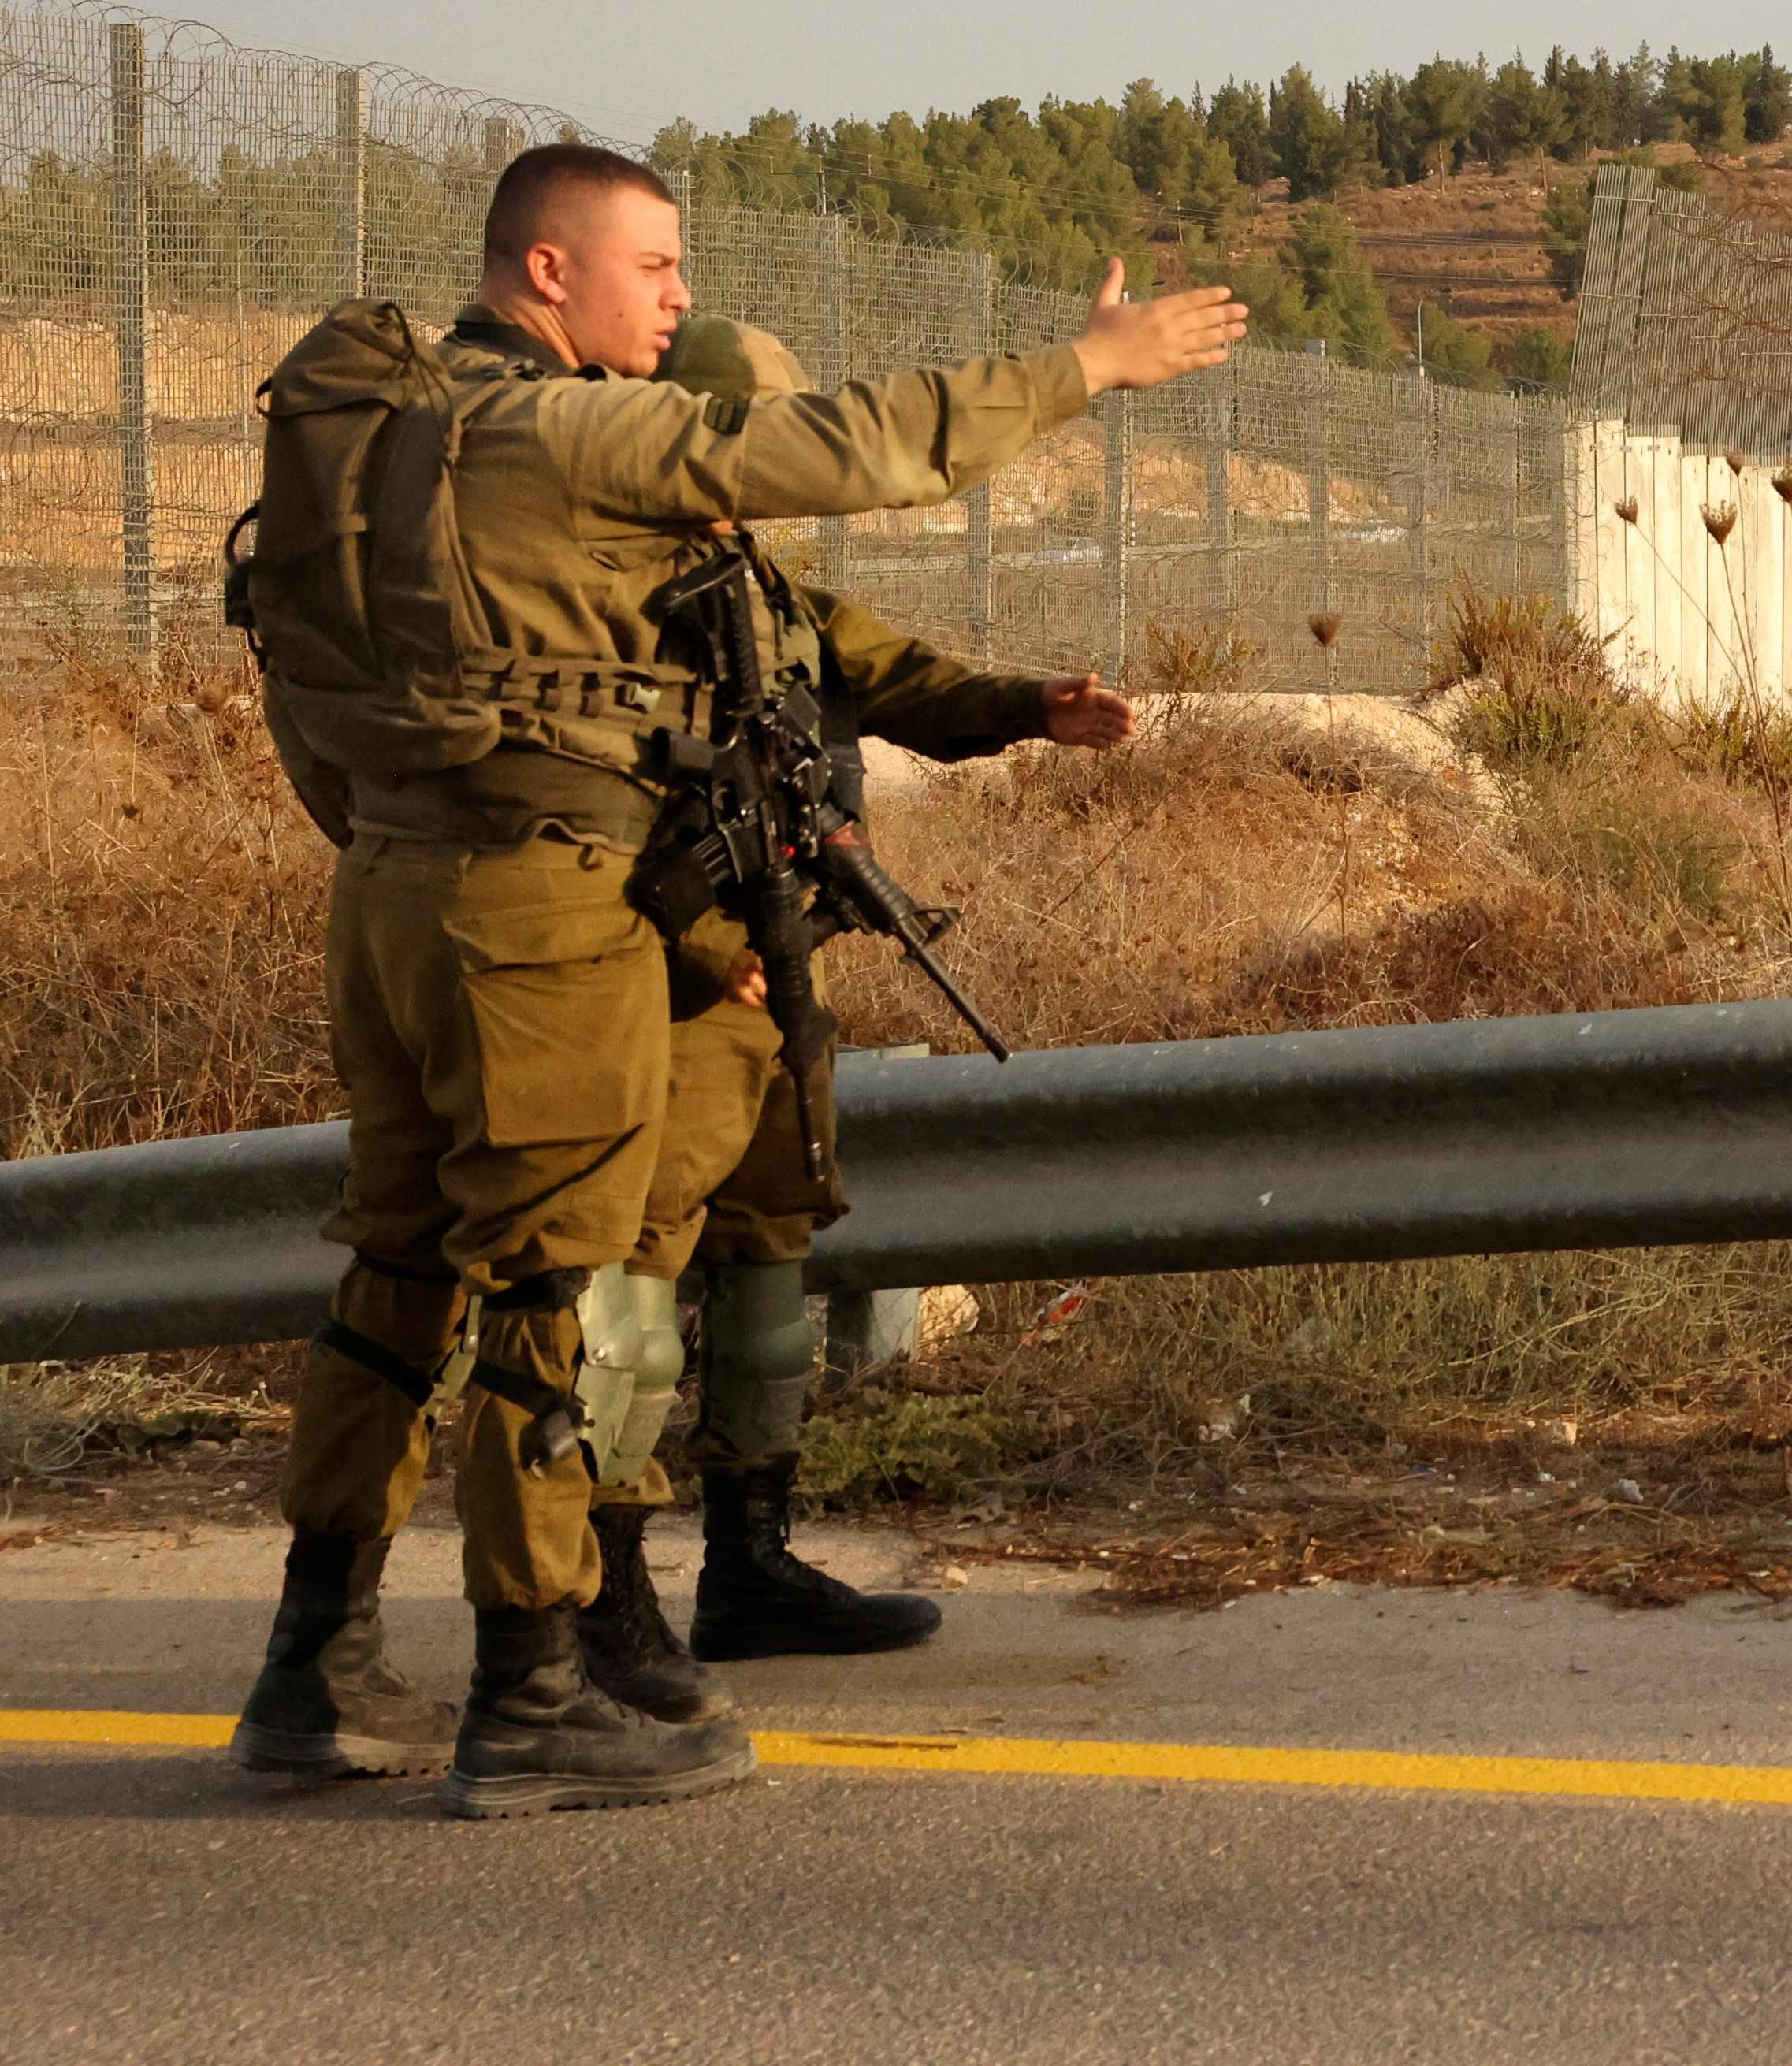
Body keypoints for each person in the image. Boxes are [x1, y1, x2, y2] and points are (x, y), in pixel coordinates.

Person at [225, 145, 1241, 1815]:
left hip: (404, 890)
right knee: (556, 1291)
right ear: (549, 271)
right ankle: (534, 1694)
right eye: (659, 267)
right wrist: (1087, 369)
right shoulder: (553, 432)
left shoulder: (399, 444)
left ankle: (310, 1667)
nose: (680, 297)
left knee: (399, 1278)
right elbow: (838, 448)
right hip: (541, 912)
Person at [574, 315, 1137, 1723]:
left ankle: (748, 1567)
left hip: (777, 961)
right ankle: (602, 1587)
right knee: (633, 1284)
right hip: (656, 982)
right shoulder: (592, 586)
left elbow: (887, 676)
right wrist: (705, 950)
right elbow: (570, 803)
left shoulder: (758, 580)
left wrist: (1031, 707)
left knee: (770, 1243)